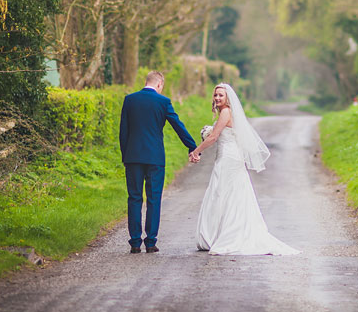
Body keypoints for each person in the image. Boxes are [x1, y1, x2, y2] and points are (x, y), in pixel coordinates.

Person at [190, 83, 299, 256]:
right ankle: (219, 234)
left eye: (221, 95)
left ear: (227, 98)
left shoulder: (226, 112)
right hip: (228, 157)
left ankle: (225, 235)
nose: (217, 98)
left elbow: (214, 137)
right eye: (216, 95)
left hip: (228, 158)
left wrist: (196, 151)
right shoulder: (226, 113)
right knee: (229, 194)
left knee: (223, 193)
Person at [119, 70, 198, 254]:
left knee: (134, 198)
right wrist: (192, 147)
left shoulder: (130, 100)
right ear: (159, 84)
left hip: (133, 157)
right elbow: (178, 125)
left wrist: (126, 156)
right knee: (154, 199)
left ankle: (135, 242)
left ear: (146, 82)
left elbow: (123, 132)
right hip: (155, 158)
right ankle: (151, 242)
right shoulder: (163, 102)